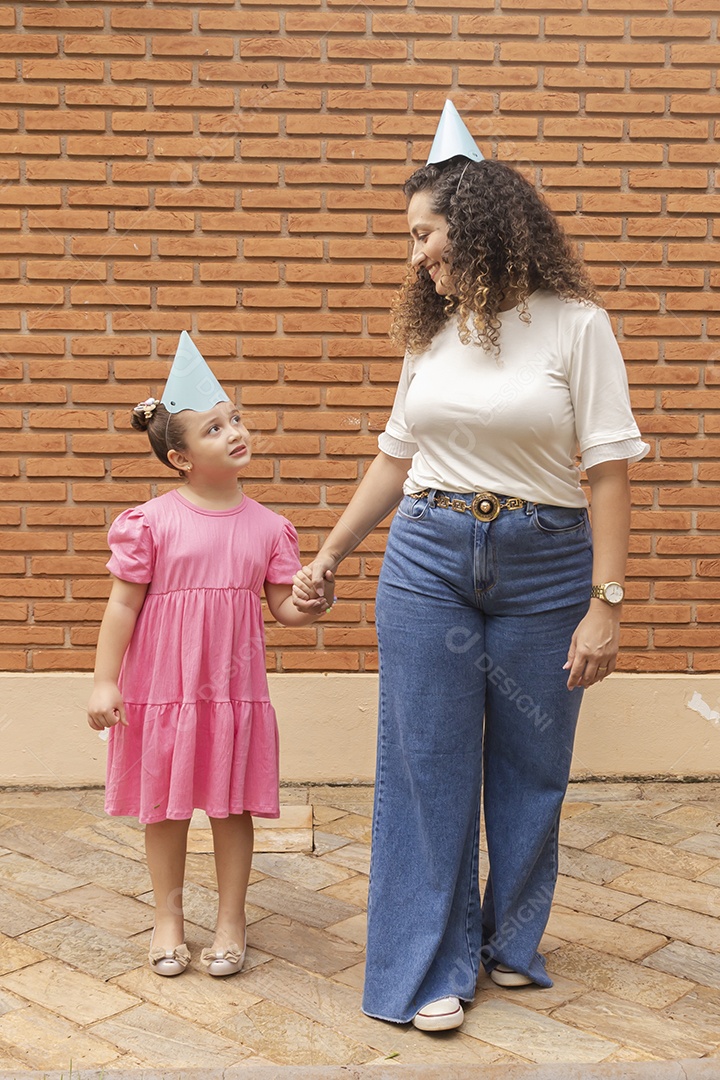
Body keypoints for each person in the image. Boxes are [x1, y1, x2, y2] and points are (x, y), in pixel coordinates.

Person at [292, 101, 648, 1030]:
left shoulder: (578, 326)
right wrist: (330, 554)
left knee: (534, 764)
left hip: (546, 564)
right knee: (423, 765)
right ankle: (430, 968)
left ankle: (509, 941)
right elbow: (394, 457)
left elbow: (607, 471)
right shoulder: (430, 335)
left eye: (427, 234)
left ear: (479, 226)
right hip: (427, 555)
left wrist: (606, 602)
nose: (418, 257)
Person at [87, 332, 334, 979]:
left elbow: (282, 608)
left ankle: (231, 918)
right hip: (162, 694)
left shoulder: (269, 528)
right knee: (163, 810)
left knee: (232, 807)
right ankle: (168, 916)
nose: (234, 432)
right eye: (215, 427)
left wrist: (311, 601)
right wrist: (104, 681)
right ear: (180, 457)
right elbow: (122, 607)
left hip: (230, 697)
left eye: (237, 420)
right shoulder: (151, 523)